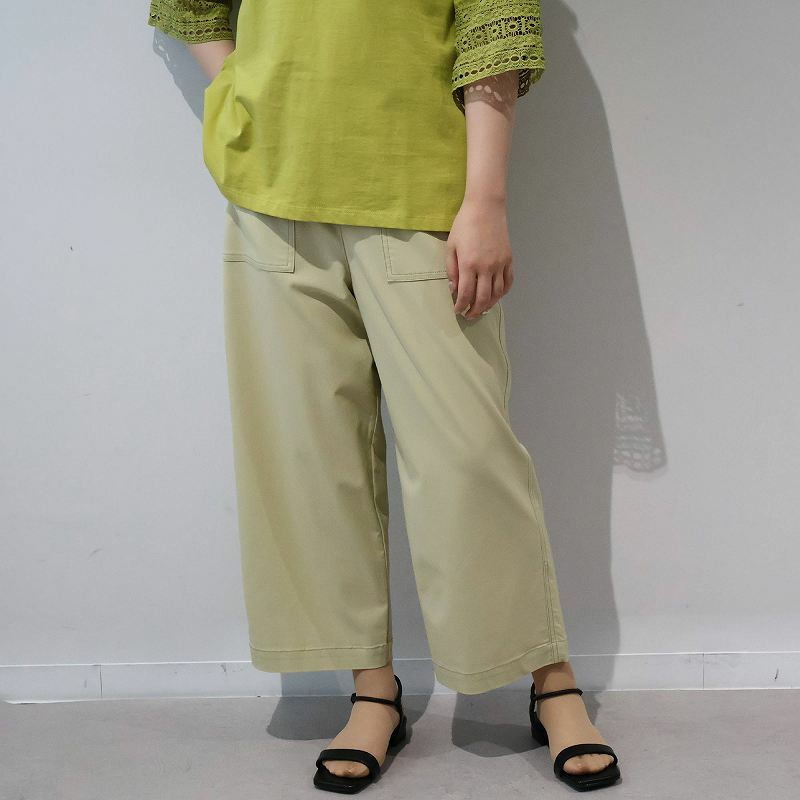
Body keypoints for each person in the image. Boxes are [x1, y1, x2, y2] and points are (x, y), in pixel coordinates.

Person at [147, 0, 620, 793]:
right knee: (312, 461)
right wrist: (239, 94)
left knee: (468, 458)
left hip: (421, 194)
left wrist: (486, 201)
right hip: (274, 199)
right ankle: (372, 689)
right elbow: (190, 6)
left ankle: (551, 680)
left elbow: (495, 26)